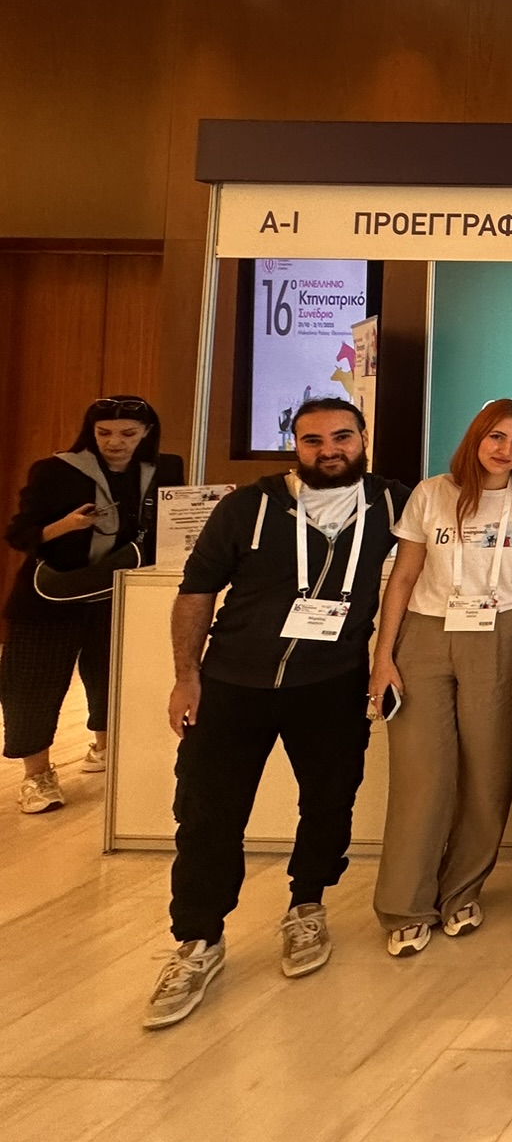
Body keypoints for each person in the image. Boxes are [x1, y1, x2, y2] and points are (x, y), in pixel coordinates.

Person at [144, 399, 407, 1030]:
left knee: (330, 800)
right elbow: (196, 592)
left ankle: (307, 905)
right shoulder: (249, 507)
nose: (329, 450)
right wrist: (186, 677)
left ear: (363, 438)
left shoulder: (393, 503)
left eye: (342, 437)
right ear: (295, 445)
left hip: (331, 683)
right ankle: (198, 939)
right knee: (208, 812)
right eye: (313, 440)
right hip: (234, 683)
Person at [369, 399, 512, 956]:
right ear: (476, 437)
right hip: (425, 636)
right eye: (496, 437)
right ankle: (405, 903)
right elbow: (404, 577)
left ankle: (460, 892)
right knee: (420, 776)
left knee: (488, 774)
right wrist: (383, 657)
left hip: (502, 635)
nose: (506, 450)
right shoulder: (432, 493)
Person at [4, 395, 183, 814]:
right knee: (33, 684)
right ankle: (36, 776)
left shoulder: (165, 469)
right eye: (104, 433)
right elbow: (19, 534)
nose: (115, 442)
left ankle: (105, 748)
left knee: (114, 677)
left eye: (127, 433)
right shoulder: (55, 470)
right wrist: (66, 525)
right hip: (51, 596)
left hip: (122, 592)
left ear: (147, 433)